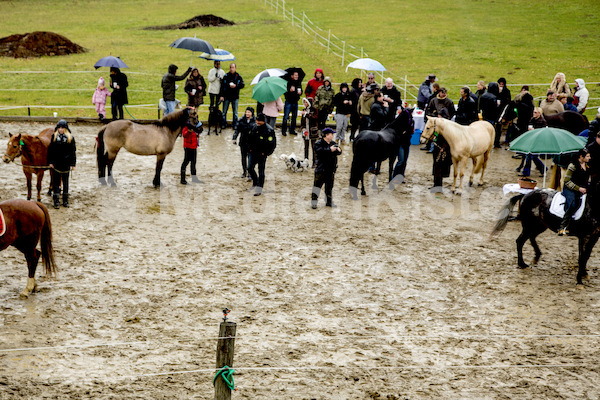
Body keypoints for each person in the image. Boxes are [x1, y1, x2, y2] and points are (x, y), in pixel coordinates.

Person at [558, 148, 590, 236]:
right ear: (581, 157)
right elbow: (567, 180)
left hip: (582, 188)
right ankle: (563, 226)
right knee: (572, 204)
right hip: (570, 189)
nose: (589, 158)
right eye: (587, 156)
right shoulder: (572, 165)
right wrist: (578, 188)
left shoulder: (587, 166)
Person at [48, 119, 76, 209]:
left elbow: (73, 152)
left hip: (66, 163)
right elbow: (50, 151)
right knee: (56, 182)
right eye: (59, 128)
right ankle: (56, 201)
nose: (61, 129)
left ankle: (65, 200)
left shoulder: (70, 138)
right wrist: (50, 162)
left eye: (62, 128)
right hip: (56, 163)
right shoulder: (54, 137)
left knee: (66, 182)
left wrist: (73, 163)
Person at [311, 128, 342, 208]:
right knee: (317, 187)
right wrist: (330, 150)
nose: (332, 136)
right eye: (331, 134)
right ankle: (314, 202)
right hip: (321, 169)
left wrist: (339, 150)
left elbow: (338, 152)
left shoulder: (333, 143)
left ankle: (329, 202)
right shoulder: (319, 143)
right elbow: (320, 152)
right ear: (326, 135)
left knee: (329, 187)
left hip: (331, 169)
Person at [247, 113, 276, 196]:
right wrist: (249, 149)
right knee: (249, 168)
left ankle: (259, 188)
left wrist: (266, 153)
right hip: (253, 152)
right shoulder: (254, 127)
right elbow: (249, 139)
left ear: (263, 121)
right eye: (256, 120)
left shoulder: (269, 130)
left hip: (262, 154)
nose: (257, 122)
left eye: (259, 121)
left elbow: (272, 144)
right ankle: (255, 181)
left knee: (261, 171)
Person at [519, 107, 547, 176]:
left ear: (539, 113)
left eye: (535, 112)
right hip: (532, 139)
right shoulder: (532, 119)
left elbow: (543, 132)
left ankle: (527, 172)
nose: (533, 113)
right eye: (533, 112)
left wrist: (534, 129)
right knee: (531, 156)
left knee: (531, 156)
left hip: (538, 141)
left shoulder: (543, 121)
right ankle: (542, 169)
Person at [220, 63, 245, 129]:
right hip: (227, 96)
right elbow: (222, 86)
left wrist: (236, 86)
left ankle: (235, 124)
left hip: (235, 96)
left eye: (233, 67)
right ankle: (223, 123)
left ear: (235, 68)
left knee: (235, 112)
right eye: (231, 67)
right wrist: (222, 95)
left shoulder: (238, 76)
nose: (231, 69)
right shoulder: (226, 76)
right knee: (224, 111)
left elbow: (242, 85)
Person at [233, 107, 256, 178]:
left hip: (251, 143)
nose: (247, 113)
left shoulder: (255, 121)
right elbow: (237, 129)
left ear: (252, 113)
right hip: (243, 141)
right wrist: (234, 138)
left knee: (250, 158)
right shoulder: (241, 120)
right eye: (246, 112)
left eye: (249, 112)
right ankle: (244, 171)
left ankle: (250, 172)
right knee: (243, 157)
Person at [281, 71, 302, 136]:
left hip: (295, 101)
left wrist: (300, 93)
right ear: (292, 76)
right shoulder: (287, 82)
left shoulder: (298, 83)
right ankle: (284, 130)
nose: (297, 76)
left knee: (294, 117)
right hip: (288, 101)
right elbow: (284, 91)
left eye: (297, 75)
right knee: (286, 116)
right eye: (295, 75)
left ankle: (292, 130)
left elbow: (301, 90)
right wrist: (289, 90)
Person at [301, 97, 319, 167]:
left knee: (314, 147)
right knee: (306, 147)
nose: (305, 104)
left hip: (313, 131)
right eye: (304, 102)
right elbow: (302, 122)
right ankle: (306, 162)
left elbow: (315, 118)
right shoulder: (304, 110)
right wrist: (302, 128)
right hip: (306, 132)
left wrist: (307, 115)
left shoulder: (314, 110)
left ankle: (314, 162)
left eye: (306, 102)